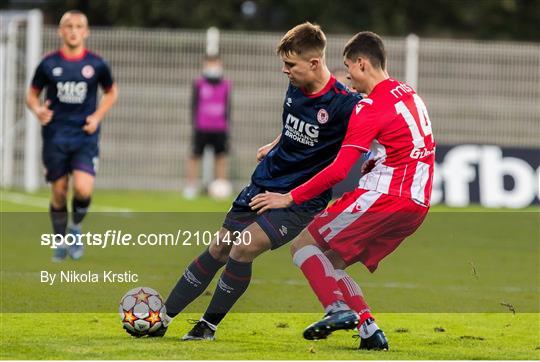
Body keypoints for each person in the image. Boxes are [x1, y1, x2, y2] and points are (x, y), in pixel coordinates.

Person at [152, 22, 361, 340]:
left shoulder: (344, 105)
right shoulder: (296, 84)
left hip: (298, 199)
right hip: (265, 182)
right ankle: (162, 318)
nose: (284, 71)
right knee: (220, 247)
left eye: (290, 64)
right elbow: (295, 124)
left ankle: (207, 326)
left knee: (242, 248)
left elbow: (349, 154)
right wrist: (275, 143)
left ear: (314, 63)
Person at [250, 31, 435, 350]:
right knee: (330, 262)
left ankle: (335, 309)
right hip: (417, 203)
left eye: (350, 70)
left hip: (384, 197)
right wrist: (376, 161)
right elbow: (413, 145)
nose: (348, 79)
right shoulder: (409, 94)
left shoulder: (370, 107)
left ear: (362, 64)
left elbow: (338, 169)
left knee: (303, 245)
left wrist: (290, 197)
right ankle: (369, 331)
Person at [26, 10, 118, 262]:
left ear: (86, 31)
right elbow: (31, 95)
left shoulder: (97, 64)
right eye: (69, 26)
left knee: (82, 189)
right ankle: (59, 241)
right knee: (58, 191)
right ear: (60, 31)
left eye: (79, 26)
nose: (74, 30)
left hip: (85, 135)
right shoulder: (48, 64)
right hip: (55, 135)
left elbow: (111, 92)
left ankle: (75, 229)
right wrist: (37, 110)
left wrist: (97, 116)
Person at [183, 56, 232, 199]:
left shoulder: (226, 84)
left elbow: (228, 106)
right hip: (202, 126)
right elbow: (194, 104)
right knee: (194, 155)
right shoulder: (199, 84)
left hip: (220, 127)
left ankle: (221, 186)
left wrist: (227, 125)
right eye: (210, 64)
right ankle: (191, 187)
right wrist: (195, 124)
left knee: (221, 156)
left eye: (215, 63)